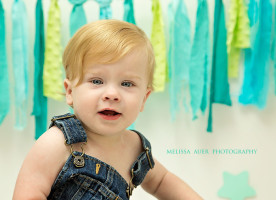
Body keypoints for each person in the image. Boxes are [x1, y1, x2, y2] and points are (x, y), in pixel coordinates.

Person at [13, 19, 202, 200]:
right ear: (70, 91)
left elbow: (161, 181)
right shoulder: (58, 143)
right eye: (97, 81)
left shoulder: (135, 147)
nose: (112, 94)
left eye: (127, 83)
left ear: (144, 98)